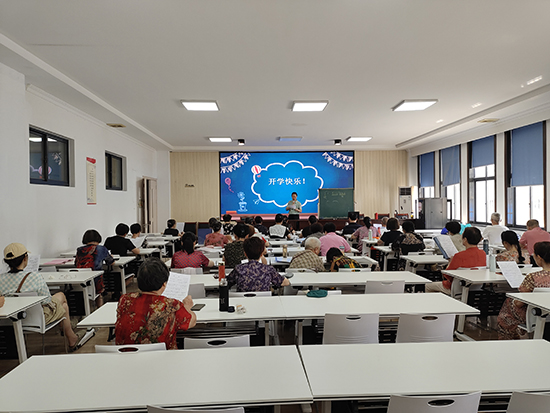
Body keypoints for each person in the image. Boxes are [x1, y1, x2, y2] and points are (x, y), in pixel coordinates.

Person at [0, 243, 83, 350]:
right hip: (37, 319)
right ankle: (70, 335)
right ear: (25, 258)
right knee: (62, 301)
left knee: (63, 305)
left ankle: (70, 334)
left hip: (11, 320)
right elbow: (47, 300)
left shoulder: (1, 279)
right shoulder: (35, 277)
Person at [115, 257, 196, 349]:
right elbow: (191, 322)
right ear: (164, 284)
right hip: (162, 356)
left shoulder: (125, 300)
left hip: (126, 356)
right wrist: (187, 307)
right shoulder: (171, 305)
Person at [497, 241, 550, 340]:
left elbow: (520, 302)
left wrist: (512, 303)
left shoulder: (533, 277)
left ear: (539, 258)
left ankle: (508, 340)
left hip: (535, 315)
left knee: (507, 308)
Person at [425, 227, 486, 294]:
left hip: (456, 288)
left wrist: (450, 262)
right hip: (476, 287)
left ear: (465, 240)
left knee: (427, 286)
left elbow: (447, 275)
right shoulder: (483, 254)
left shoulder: (459, 256)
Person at [75, 229, 115, 307]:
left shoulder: (80, 250)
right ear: (98, 238)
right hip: (96, 280)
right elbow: (111, 262)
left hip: (80, 279)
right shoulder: (101, 249)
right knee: (99, 293)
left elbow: (76, 263)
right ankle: (100, 308)